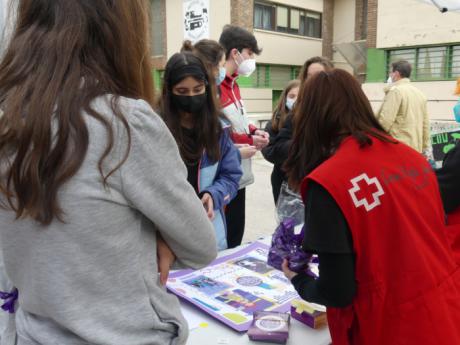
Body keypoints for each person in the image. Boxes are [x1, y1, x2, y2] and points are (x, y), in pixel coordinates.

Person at [0, 1, 218, 344]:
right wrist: (159, 239)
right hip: (126, 332)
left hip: (33, 330)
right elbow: (201, 244)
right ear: (119, 30)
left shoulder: (9, 122)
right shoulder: (124, 124)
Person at [282, 69, 460, 345]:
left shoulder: (329, 182)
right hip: (442, 311)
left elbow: (338, 291)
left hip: (388, 326)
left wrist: (297, 279)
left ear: (310, 117)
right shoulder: (410, 157)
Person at [157, 51, 242, 251]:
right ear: (169, 91)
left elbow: (231, 176)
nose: (191, 97)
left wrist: (214, 194)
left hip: (209, 230)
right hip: (166, 236)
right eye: (182, 91)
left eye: (197, 89)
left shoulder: (219, 128)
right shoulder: (155, 128)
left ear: (206, 87)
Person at [218, 25, 269, 248]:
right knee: (225, 237)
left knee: (237, 233)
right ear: (235, 53)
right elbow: (218, 134)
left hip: (241, 174)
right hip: (226, 176)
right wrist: (250, 141)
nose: (251, 60)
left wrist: (252, 130)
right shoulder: (216, 86)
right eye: (250, 53)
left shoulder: (234, 85)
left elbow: (236, 119)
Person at [262, 57, 333, 204]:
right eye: (309, 77)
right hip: (293, 185)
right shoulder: (296, 113)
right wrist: (306, 143)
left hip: (328, 184)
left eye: (320, 75)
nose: (314, 81)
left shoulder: (339, 111)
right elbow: (276, 150)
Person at [376, 60, 432, 157]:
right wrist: (425, 147)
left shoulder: (396, 91)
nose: (390, 75)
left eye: (391, 72)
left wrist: (374, 138)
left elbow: (385, 121)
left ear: (396, 74)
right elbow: (425, 124)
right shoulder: (420, 94)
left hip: (398, 147)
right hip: (415, 149)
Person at [261, 79, 300, 203]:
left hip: (306, 180)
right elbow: (270, 152)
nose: (296, 100)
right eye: (292, 96)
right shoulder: (275, 122)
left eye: (300, 96)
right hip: (282, 181)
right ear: (285, 98)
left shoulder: (313, 121)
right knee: (287, 220)